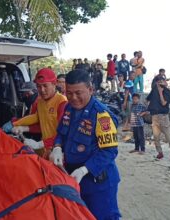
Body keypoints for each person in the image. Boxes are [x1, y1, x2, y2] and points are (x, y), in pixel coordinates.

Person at [50, 69, 121, 219]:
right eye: (69, 93)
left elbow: (109, 152)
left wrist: (84, 170)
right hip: (73, 178)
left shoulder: (102, 116)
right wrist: (57, 147)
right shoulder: (69, 108)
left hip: (97, 182)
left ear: (90, 89)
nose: (73, 98)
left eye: (78, 93)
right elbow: (62, 133)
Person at [3, 68, 67, 158]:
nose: (42, 90)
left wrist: (39, 144)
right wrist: (22, 127)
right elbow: (41, 123)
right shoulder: (40, 101)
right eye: (38, 86)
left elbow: (64, 133)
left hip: (58, 151)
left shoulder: (62, 102)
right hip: (45, 149)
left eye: (45, 86)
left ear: (54, 84)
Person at [146, 76, 170, 161]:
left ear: (164, 82)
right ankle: (160, 153)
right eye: (158, 81)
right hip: (154, 116)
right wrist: (148, 108)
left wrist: (160, 93)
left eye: (161, 81)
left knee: (169, 136)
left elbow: (163, 103)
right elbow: (148, 99)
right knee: (156, 137)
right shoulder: (154, 90)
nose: (159, 83)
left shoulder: (167, 92)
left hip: (163, 116)